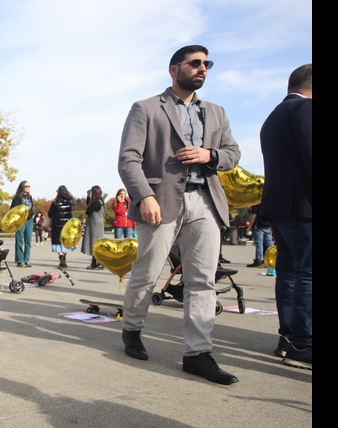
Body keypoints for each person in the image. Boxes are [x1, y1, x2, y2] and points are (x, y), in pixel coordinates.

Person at [117, 44, 241, 385]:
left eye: (207, 64)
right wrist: (145, 196)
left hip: (205, 201)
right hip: (161, 202)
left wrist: (208, 154)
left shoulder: (216, 112)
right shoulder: (145, 108)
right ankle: (132, 330)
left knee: (202, 279)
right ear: (173, 69)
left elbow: (233, 154)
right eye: (195, 63)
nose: (202, 68)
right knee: (147, 272)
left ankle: (197, 353)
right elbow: (129, 159)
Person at [259, 64, 312, 370]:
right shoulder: (304, 109)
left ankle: (289, 337)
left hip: (281, 209)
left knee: (290, 274)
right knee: (305, 275)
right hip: (304, 208)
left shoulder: (273, 116)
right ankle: (304, 341)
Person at [48, 186, 74, 269]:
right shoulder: (69, 201)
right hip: (67, 225)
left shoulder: (55, 202)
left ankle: (61, 260)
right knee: (65, 243)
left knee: (58, 243)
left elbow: (50, 214)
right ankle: (64, 259)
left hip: (57, 225)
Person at [10, 181, 35, 267]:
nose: (28, 188)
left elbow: (31, 207)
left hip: (29, 220)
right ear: (22, 187)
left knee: (28, 240)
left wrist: (32, 215)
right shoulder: (18, 197)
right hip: (20, 221)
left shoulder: (30, 197)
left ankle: (26, 259)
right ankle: (20, 260)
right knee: (20, 240)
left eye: (29, 186)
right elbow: (13, 209)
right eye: (26, 186)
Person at [81, 186, 105, 269]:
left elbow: (88, 211)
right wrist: (88, 196)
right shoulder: (99, 201)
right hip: (96, 224)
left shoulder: (97, 202)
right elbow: (89, 205)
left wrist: (88, 205)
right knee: (95, 244)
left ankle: (98, 263)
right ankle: (96, 263)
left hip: (95, 225)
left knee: (95, 244)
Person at [245, 203, 272, 268]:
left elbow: (254, 215)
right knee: (269, 244)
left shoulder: (256, 203)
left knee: (259, 244)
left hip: (258, 226)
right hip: (268, 225)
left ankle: (258, 260)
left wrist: (249, 226)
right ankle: (270, 260)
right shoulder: (268, 202)